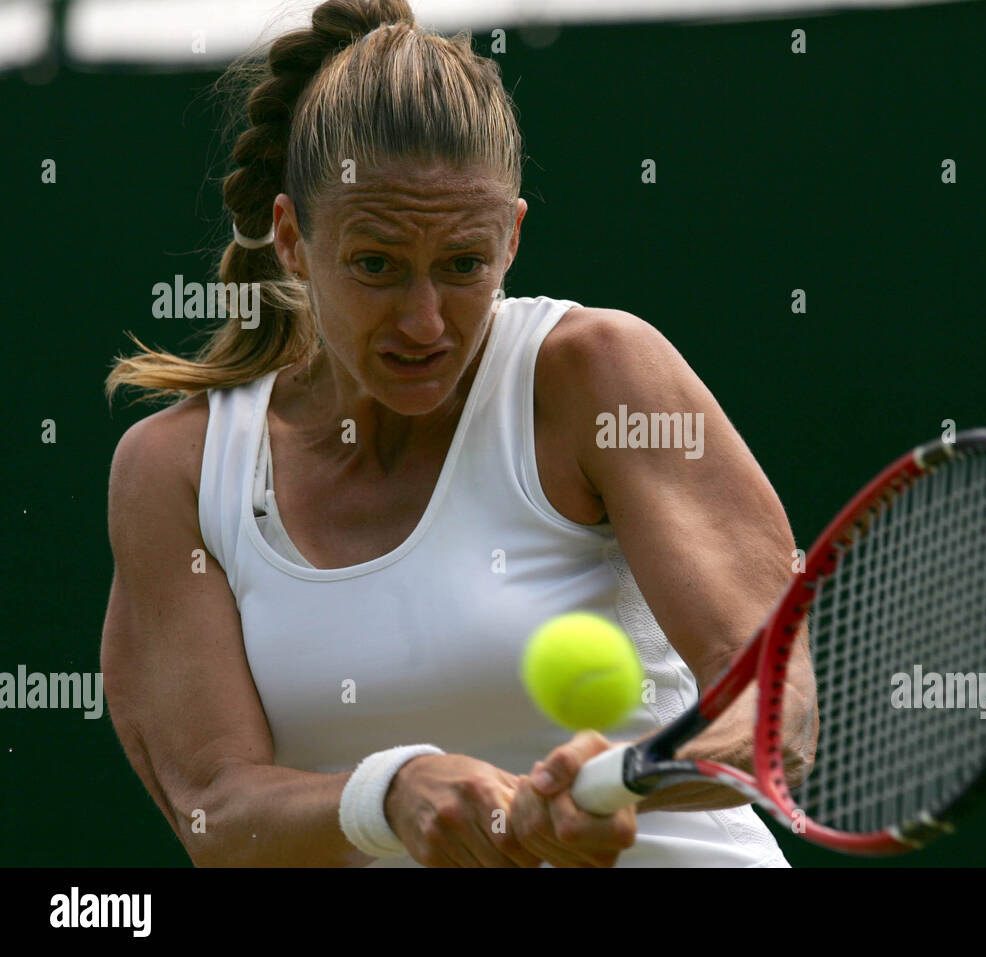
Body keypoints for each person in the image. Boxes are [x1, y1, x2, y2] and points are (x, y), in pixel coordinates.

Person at [101, 0, 815, 867]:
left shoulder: (598, 373)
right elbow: (213, 808)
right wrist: (391, 790)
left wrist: (628, 780)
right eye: (377, 266)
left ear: (511, 236)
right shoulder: (176, 469)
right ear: (291, 239)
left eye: (463, 265)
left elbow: (774, 709)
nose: (425, 320)